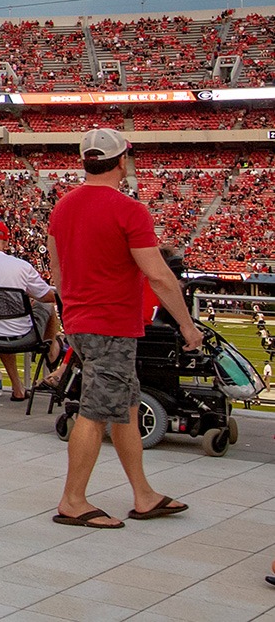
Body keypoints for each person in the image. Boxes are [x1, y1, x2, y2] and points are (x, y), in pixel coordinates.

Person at [48, 129, 201, 530]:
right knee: (97, 411)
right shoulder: (129, 210)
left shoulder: (62, 207)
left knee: (127, 408)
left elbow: (58, 275)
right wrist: (187, 325)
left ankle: (143, 494)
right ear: (121, 161)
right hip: (111, 323)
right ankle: (73, 500)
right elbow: (160, 276)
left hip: (83, 319)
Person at [0, 218, 60, 401]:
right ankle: (52, 348)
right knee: (44, 307)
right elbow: (47, 296)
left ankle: (17, 388)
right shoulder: (21, 267)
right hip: (20, 334)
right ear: (6, 243)